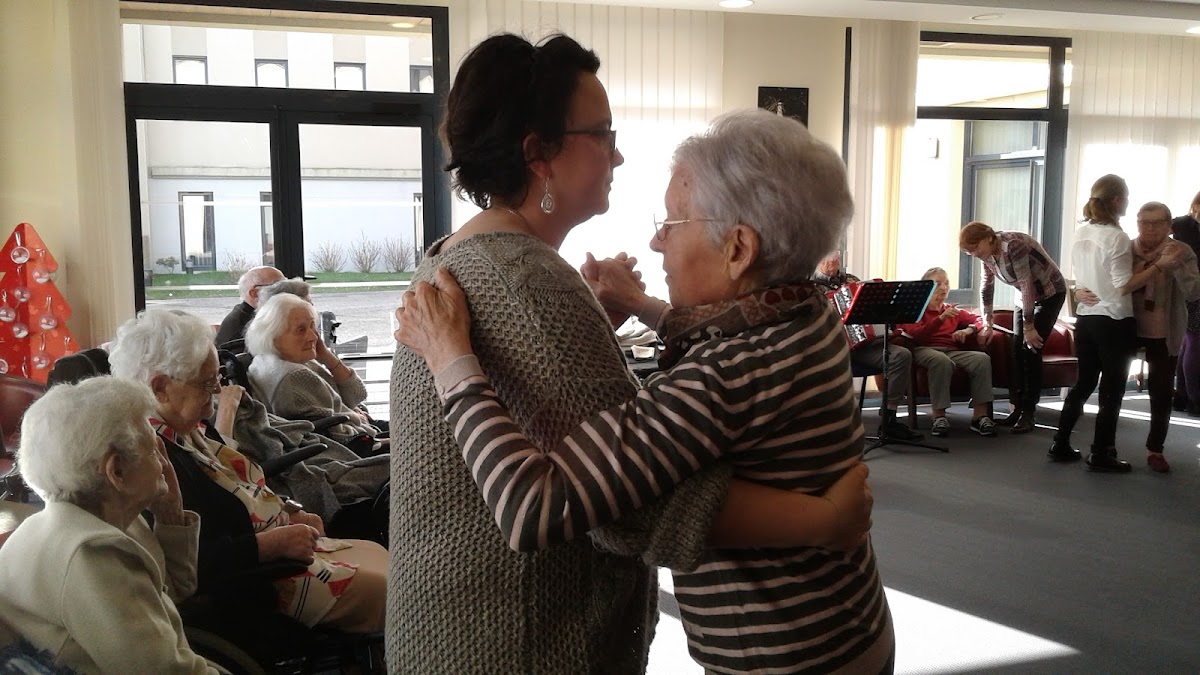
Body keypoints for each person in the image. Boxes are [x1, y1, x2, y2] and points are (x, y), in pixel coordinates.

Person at [387, 34, 880, 674]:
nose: (618, 153)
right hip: (515, 644)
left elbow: (621, 452)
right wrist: (820, 520)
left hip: (461, 631)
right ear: (539, 154)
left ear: (738, 249)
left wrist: (605, 318)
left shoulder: (457, 254)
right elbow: (625, 511)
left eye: (672, 224)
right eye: (603, 133)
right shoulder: (530, 283)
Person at [109, 309, 387, 633]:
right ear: (160, 387)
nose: (217, 392)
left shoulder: (184, 428)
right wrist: (274, 543)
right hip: (260, 581)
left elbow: (238, 486)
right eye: (207, 382)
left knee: (380, 557)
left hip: (279, 551)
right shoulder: (149, 460)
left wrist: (290, 511)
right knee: (396, 592)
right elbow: (189, 564)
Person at [0, 377, 216, 674]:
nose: (165, 463)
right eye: (153, 450)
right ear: (117, 471)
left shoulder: (105, 521)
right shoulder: (92, 554)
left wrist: (171, 517)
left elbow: (174, 595)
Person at [1049, 175, 1162, 472]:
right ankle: (1101, 453)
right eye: (1126, 197)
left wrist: (1079, 291)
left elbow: (1084, 277)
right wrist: (1158, 267)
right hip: (1114, 320)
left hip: (1086, 319)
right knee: (1112, 391)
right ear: (1116, 201)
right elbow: (1123, 285)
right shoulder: (1116, 237)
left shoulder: (1081, 232)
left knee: (1083, 384)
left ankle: (1060, 443)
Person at [1076, 202, 1200, 473]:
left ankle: (1155, 449)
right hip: (1124, 327)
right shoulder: (1126, 247)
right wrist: (1078, 292)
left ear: (1169, 225)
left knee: (1161, 391)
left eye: (1156, 223)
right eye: (1144, 222)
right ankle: (1106, 448)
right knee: (1113, 387)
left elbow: (1193, 293)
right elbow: (1100, 278)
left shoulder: (1181, 251)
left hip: (1164, 332)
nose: (1150, 228)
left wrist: (1176, 267)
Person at [960, 220, 1067, 433]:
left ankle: (1029, 412)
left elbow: (1028, 284)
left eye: (975, 248)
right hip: (1023, 297)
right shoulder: (987, 254)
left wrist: (1029, 326)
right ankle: (1017, 409)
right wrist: (987, 322)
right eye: (969, 252)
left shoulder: (1014, 244)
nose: (974, 254)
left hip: (1049, 293)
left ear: (989, 238)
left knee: (1031, 349)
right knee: (1017, 351)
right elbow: (986, 286)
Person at [245, 293, 386, 452]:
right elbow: (334, 436)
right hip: (354, 446)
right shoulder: (294, 376)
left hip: (358, 430)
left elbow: (356, 396)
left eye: (312, 326)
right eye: (301, 330)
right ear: (272, 336)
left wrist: (326, 355)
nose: (313, 336)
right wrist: (362, 423)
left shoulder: (271, 360)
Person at [813, 252, 923, 440]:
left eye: (836, 258)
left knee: (901, 355)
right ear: (818, 260)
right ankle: (830, 425)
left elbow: (873, 312)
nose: (833, 262)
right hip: (830, 348)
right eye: (827, 258)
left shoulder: (852, 281)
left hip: (863, 346)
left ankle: (889, 418)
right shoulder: (810, 288)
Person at [897, 267, 995, 437]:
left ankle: (979, 416)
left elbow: (979, 319)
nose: (943, 288)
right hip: (922, 349)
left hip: (950, 350)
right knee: (940, 361)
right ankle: (939, 417)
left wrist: (969, 330)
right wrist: (940, 319)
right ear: (926, 287)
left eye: (946, 283)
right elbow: (917, 335)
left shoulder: (951, 309)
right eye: (937, 284)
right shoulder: (916, 309)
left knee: (982, 359)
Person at [1170, 190, 1200, 415]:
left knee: (1188, 343)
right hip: (1195, 288)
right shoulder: (1188, 226)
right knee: (1194, 342)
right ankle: (1195, 399)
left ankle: (1181, 394)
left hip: (1182, 287)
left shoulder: (1181, 224)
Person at [214, 265, 285, 349]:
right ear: (255, 294)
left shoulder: (259, 314)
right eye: (278, 288)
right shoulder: (244, 326)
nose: (288, 293)